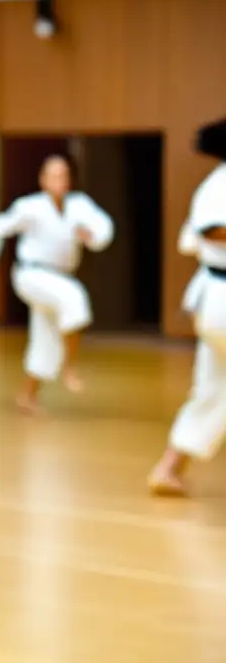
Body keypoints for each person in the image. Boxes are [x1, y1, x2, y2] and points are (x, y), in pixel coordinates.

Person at [0, 154, 113, 413]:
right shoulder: (30, 206)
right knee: (74, 297)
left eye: (65, 175)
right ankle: (70, 367)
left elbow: (104, 228)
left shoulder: (79, 205)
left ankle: (28, 395)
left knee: (45, 338)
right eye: (55, 175)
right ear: (43, 180)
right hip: (31, 275)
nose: (61, 180)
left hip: (57, 278)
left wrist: (93, 236)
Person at [148, 125, 226, 496]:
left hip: (216, 301)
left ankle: (168, 468)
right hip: (221, 298)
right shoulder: (218, 184)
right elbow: (210, 229)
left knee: (214, 388)